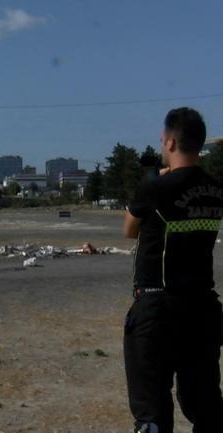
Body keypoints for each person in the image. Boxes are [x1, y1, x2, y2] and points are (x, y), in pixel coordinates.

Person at [123, 107, 223, 433]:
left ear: (171, 142)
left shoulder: (155, 187)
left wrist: (152, 180)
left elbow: (129, 229)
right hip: (202, 308)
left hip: (157, 309)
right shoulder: (216, 189)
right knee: (205, 403)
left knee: (151, 409)